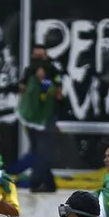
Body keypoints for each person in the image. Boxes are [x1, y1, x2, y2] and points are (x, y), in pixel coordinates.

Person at [15, 44, 64, 193]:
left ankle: (36, 182)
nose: (38, 61)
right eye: (35, 57)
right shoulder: (29, 71)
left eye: (40, 57)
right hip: (31, 118)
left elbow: (59, 94)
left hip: (47, 117)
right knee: (38, 150)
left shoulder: (53, 71)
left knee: (44, 151)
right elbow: (22, 89)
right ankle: (49, 183)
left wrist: (44, 85)